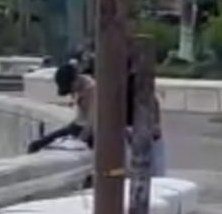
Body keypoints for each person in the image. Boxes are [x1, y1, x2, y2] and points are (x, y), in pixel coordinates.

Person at [28, 59, 166, 177]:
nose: (72, 93)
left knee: (146, 168)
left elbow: (93, 121)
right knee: (57, 136)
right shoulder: (99, 86)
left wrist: (81, 140)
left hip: (125, 130)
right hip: (118, 128)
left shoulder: (97, 88)